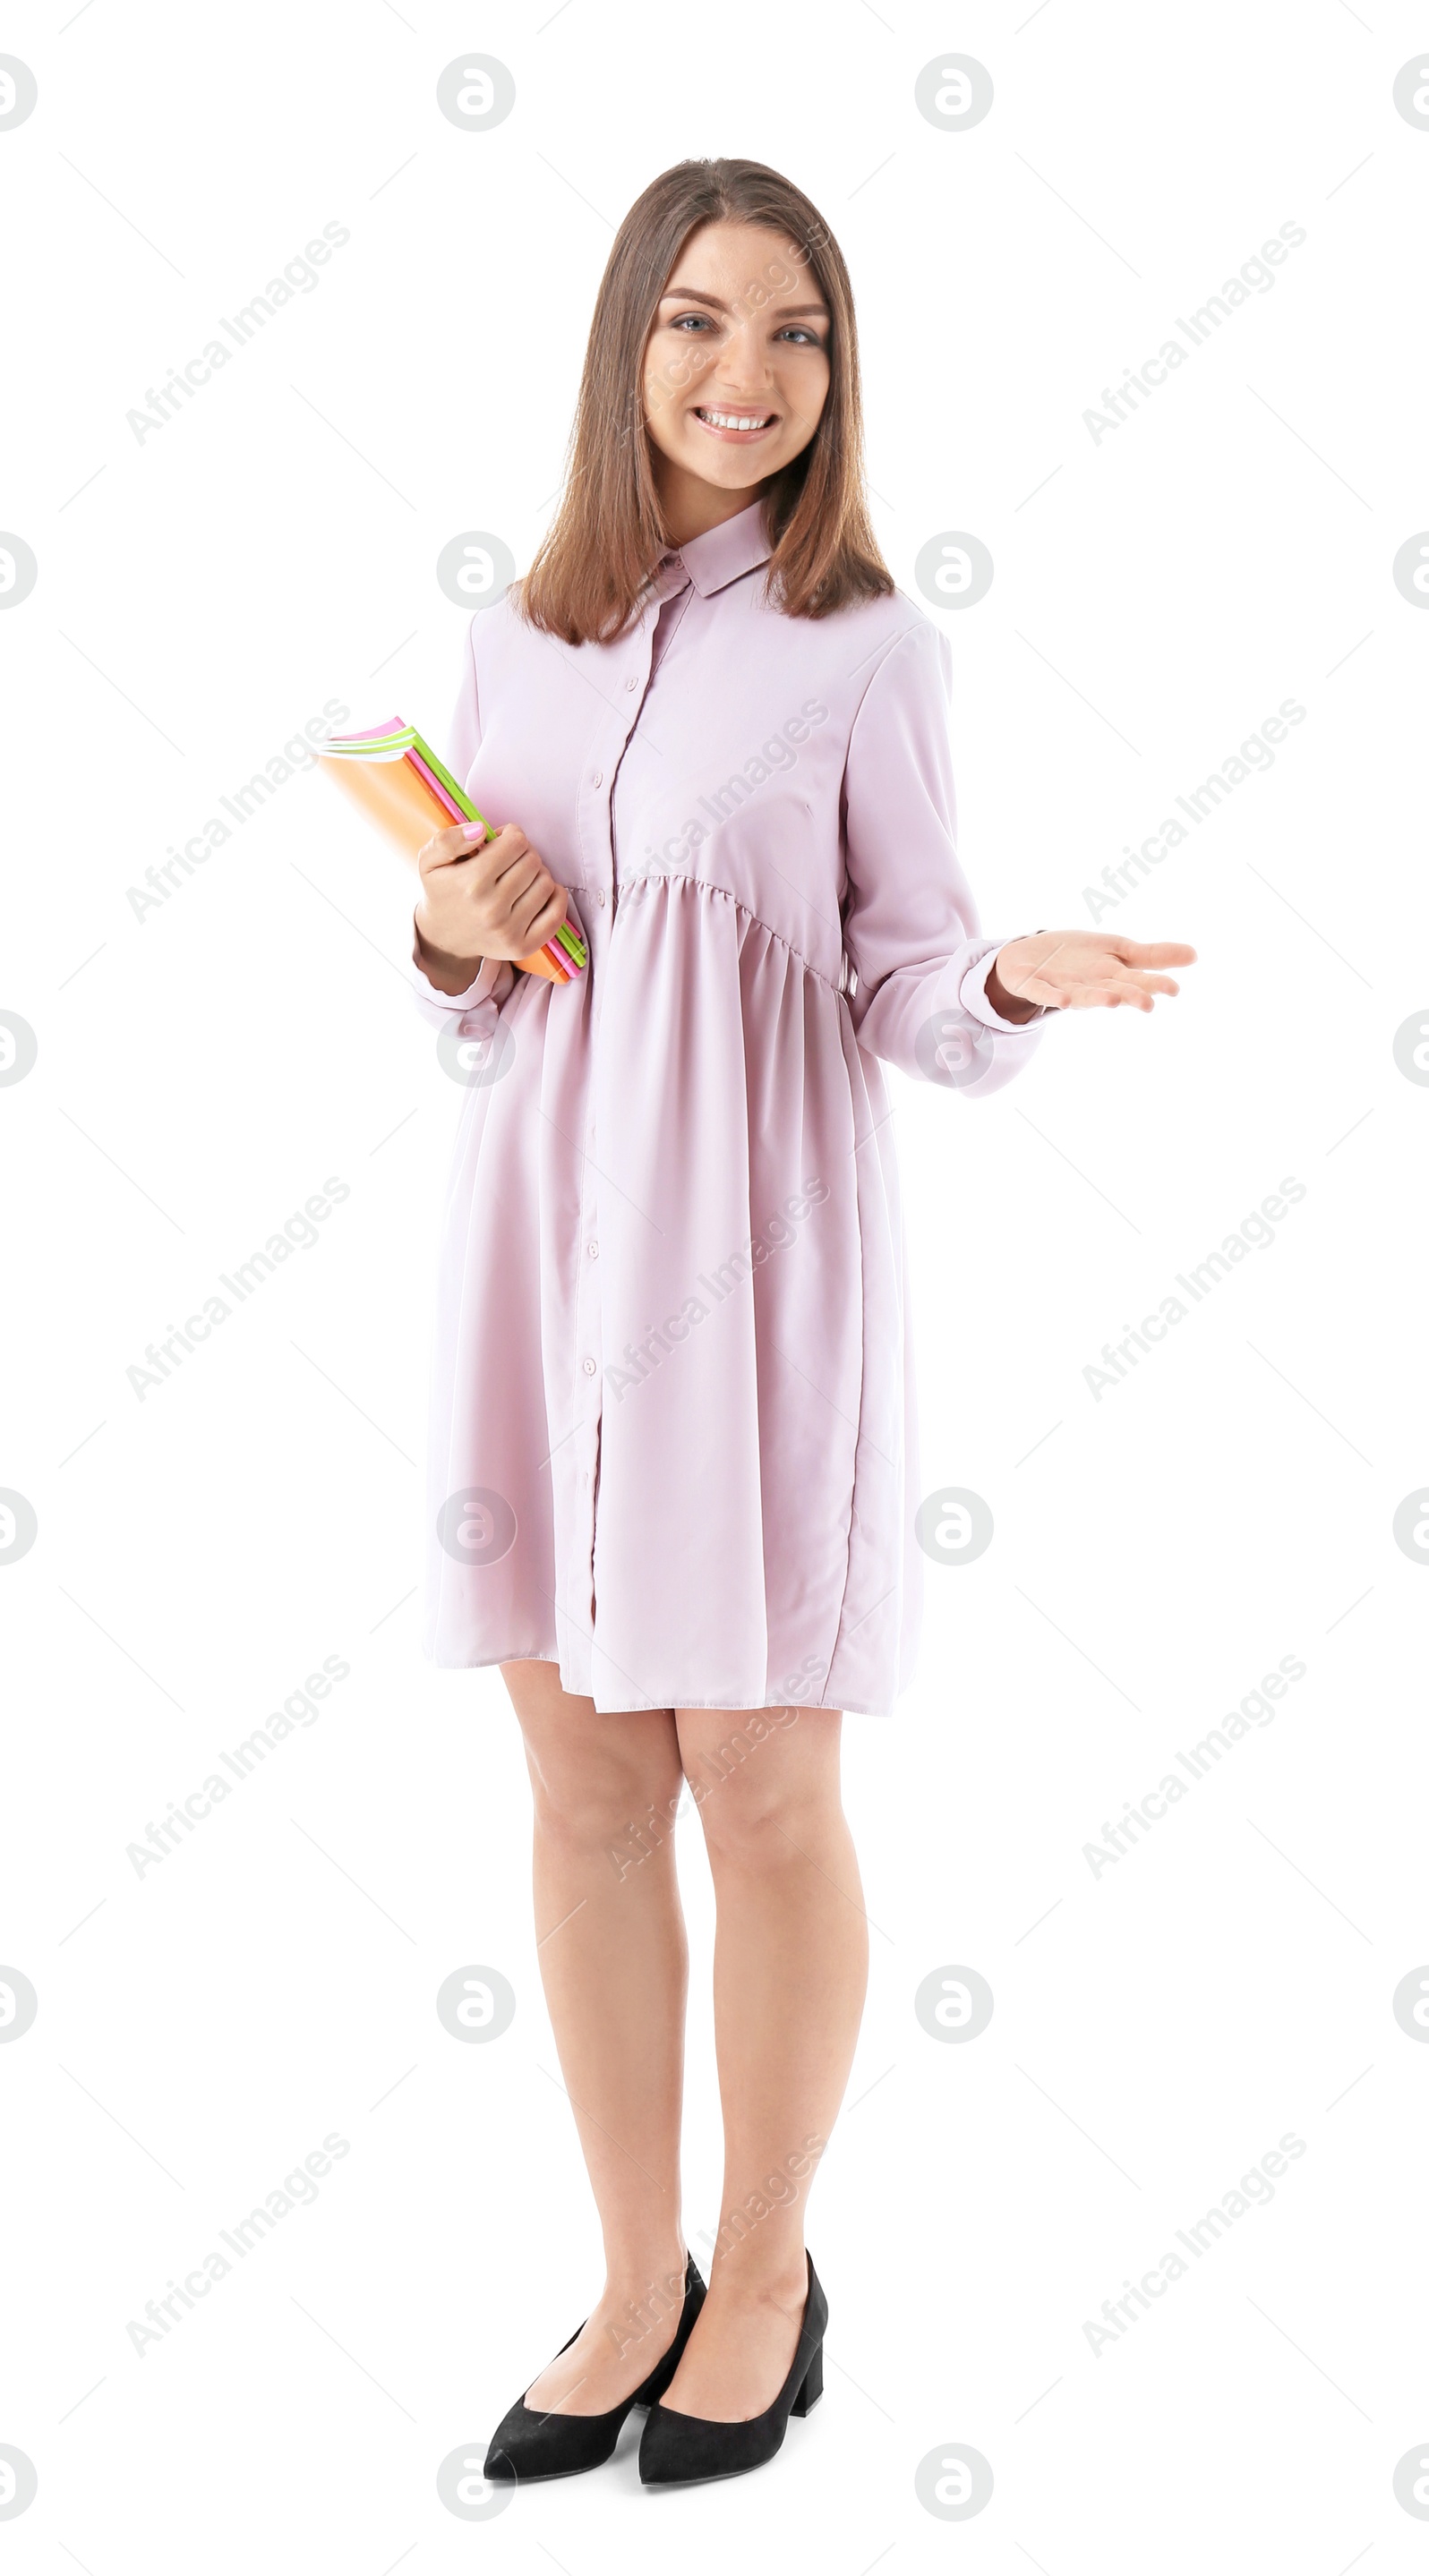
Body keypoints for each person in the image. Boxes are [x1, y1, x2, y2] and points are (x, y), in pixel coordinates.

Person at [407, 157, 1194, 2487]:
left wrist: (1005, 978)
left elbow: (907, 985)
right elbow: (480, 1005)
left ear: (838, 375)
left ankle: (767, 2273)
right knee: (578, 1780)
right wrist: (454, 923)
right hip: (534, 1250)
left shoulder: (871, 645)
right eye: (700, 325)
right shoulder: (511, 639)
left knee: (759, 1780)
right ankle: (630, 2267)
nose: (748, 376)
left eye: (798, 335)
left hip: (752, 1274)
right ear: (624, 345)